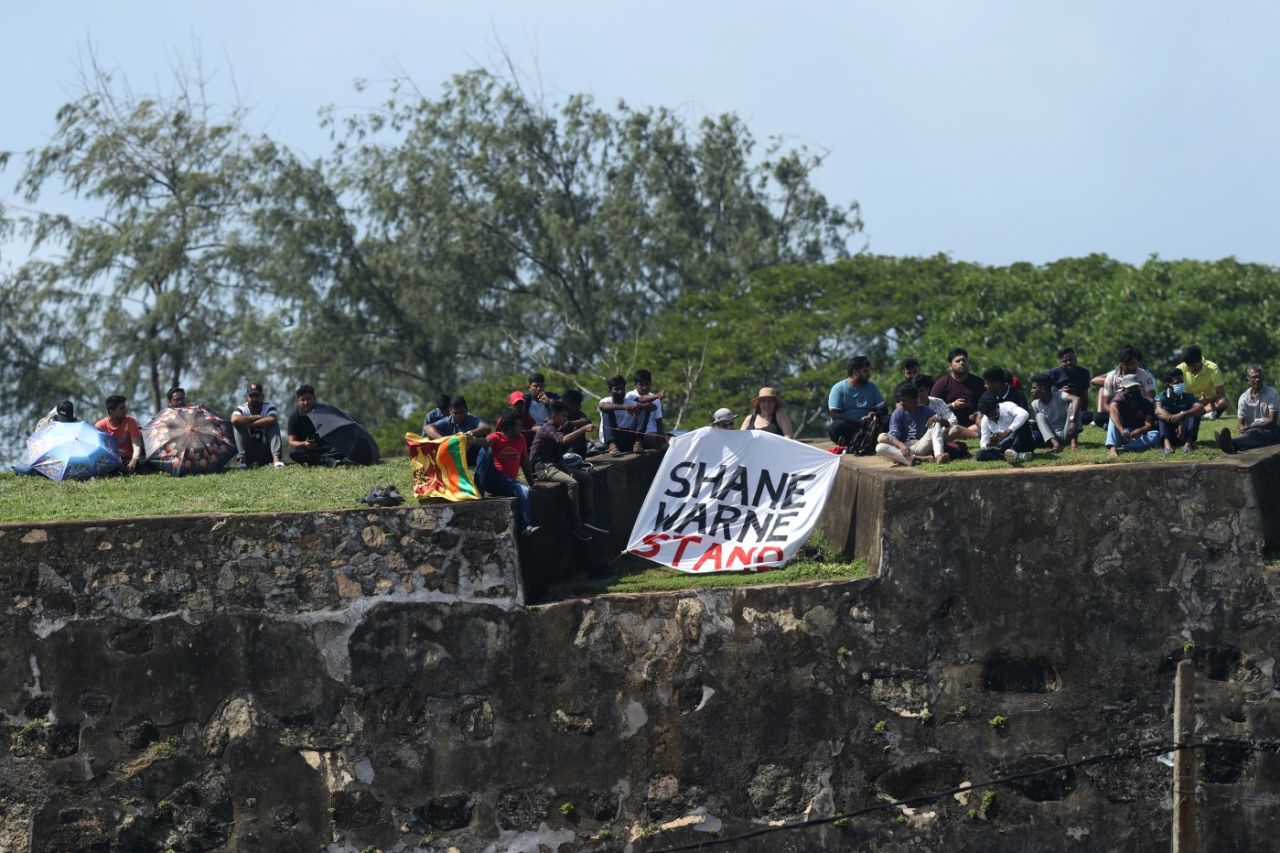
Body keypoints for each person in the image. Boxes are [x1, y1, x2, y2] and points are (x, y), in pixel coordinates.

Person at [530, 401, 606, 540]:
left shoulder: (555, 428)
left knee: (587, 478)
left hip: (554, 465)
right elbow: (563, 441)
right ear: (554, 415)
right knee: (572, 483)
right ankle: (576, 527)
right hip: (543, 468)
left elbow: (558, 456)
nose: (566, 419)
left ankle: (589, 517)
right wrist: (582, 429)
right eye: (564, 416)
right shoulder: (547, 428)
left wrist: (566, 470)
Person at [474, 409, 538, 536]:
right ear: (509, 427)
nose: (521, 428)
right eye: (518, 426)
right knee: (485, 450)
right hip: (492, 479)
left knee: (523, 489)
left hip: (507, 483)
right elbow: (486, 442)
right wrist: (474, 441)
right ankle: (478, 486)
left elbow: (525, 463)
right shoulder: (496, 437)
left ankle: (526, 527)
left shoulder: (521, 439)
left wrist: (532, 484)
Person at [875, 381, 949, 466]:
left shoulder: (924, 409)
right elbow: (893, 436)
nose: (901, 403)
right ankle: (918, 459)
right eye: (901, 400)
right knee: (879, 447)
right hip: (903, 448)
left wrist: (938, 419)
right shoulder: (897, 413)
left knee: (936, 423)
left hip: (921, 445)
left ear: (914, 400)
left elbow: (947, 424)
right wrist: (902, 446)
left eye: (904, 400)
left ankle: (939, 456)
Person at [828, 355, 888, 452]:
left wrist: (874, 414)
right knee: (836, 426)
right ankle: (862, 440)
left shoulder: (871, 387)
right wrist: (859, 422)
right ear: (855, 373)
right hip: (851, 426)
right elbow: (835, 415)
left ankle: (863, 439)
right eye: (865, 371)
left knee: (889, 419)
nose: (868, 374)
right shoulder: (838, 388)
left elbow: (884, 409)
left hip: (869, 425)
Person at [1217, 365, 1280, 454]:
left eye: (1259, 377)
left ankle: (1231, 443)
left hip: (1274, 431)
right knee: (1251, 435)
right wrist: (1244, 429)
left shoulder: (1272, 394)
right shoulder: (1244, 398)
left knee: (1255, 434)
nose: (1257, 380)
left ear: (1263, 377)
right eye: (1254, 377)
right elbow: (1241, 424)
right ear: (1248, 379)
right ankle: (1231, 445)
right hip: (1254, 431)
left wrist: (1253, 427)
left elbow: (1272, 422)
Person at [1093, 345, 1156, 427]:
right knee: (1098, 418)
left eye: (1133, 363)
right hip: (1119, 412)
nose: (1131, 367)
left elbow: (1150, 399)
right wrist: (1117, 413)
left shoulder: (1146, 376)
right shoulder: (1111, 377)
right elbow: (1105, 405)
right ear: (1120, 362)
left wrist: (1140, 411)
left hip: (1139, 413)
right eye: (1127, 364)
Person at [930, 348, 986, 440]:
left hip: (975, 424)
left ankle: (965, 433)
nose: (962, 363)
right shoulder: (941, 384)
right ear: (950, 366)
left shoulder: (978, 382)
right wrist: (952, 405)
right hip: (951, 426)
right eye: (958, 361)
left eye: (964, 360)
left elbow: (987, 405)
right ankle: (973, 435)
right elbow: (931, 409)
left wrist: (978, 414)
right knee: (952, 428)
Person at [230, 383, 285, 469]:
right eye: (252, 396)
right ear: (247, 397)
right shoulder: (242, 408)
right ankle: (242, 461)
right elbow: (234, 420)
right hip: (249, 453)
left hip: (266, 451)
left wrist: (250, 424)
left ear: (262, 396)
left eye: (257, 396)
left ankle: (276, 460)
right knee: (237, 425)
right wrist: (256, 417)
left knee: (273, 424)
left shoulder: (268, 406)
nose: (255, 399)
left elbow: (272, 418)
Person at [287, 385, 343, 467]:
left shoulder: (324, 411)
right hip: (308, 450)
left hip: (326, 448)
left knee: (342, 446)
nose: (306, 402)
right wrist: (304, 443)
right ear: (298, 401)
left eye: (308, 398)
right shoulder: (294, 418)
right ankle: (326, 460)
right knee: (294, 453)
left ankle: (317, 461)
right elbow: (292, 442)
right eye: (302, 400)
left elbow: (335, 433)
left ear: (314, 398)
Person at [1105, 375, 1160, 458]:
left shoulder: (1146, 403)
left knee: (1156, 434)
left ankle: (1123, 449)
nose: (1134, 390)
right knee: (1112, 418)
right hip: (1122, 434)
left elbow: (1148, 424)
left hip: (1138, 436)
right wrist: (1122, 431)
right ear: (1124, 389)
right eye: (1130, 388)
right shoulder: (1118, 400)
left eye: (1135, 387)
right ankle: (1112, 448)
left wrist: (1140, 430)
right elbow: (1113, 409)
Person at [975, 391, 1035, 463]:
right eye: (989, 417)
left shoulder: (1007, 406)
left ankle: (1012, 453)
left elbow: (1024, 414)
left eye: (994, 414)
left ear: (997, 406)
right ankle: (1017, 456)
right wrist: (990, 444)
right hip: (1004, 446)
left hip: (1020, 441)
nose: (992, 418)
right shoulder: (985, 419)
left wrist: (1007, 432)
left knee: (1023, 425)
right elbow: (983, 443)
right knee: (980, 455)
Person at [1155, 368, 1205, 454]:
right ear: (1169, 384)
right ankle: (1167, 445)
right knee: (1162, 413)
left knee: (1194, 412)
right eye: (1177, 383)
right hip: (1170, 432)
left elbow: (1201, 409)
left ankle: (1188, 444)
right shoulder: (1161, 396)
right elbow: (1157, 410)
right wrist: (1179, 422)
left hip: (1184, 433)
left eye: (1181, 381)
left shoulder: (1187, 396)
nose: (1180, 384)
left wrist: (1183, 414)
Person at [1045, 346, 1093, 434]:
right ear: (1060, 362)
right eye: (1064, 361)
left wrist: (1082, 411)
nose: (1068, 363)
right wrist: (1060, 392)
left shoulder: (1084, 372)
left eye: (1071, 359)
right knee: (1053, 389)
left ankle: (1075, 421)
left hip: (1075, 409)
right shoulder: (1052, 373)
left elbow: (1085, 396)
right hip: (1057, 409)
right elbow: (1045, 395)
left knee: (1088, 416)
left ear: (1076, 360)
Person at [1176, 345, 1229, 420]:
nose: (1191, 368)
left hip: (1208, 403)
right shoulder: (1179, 369)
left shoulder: (1213, 368)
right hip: (1189, 404)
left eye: (1194, 366)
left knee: (1223, 401)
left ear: (1200, 360)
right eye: (1189, 366)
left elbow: (1221, 394)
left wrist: (1206, 400)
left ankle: (1196, 414)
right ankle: (1205, 415)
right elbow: (1174, 391)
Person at [95, 395, 143, 473]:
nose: (125, 410)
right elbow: (100, 452)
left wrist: (134, 459)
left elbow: (136, 444)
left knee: (142, 464)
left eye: (125, 407)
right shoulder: (100, 426)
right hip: (111, 461)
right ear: (111, 411)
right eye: (121, 408)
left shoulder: (130, 421)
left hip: (128, 460)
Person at [1028, 373, 1073, 453]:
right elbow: (1040, 425)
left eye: (1034, 388)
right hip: (1050, 436)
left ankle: (1074, 441)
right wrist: (1033, 424)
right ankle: (1056, 444)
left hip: (1066, 433)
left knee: (1074, 404)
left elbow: (1077, 399)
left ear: (1043, 388)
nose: (1032, 391)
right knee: (1039, 416)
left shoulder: (1060, 396)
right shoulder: (1035, 404)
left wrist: (1072, 421)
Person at [624, 369, 667, 452]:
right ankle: (638, 442)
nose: (645, 387)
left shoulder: (656, 399)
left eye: (647, 384)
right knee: (644, 407)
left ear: (651, 383)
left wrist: (663, 439)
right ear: (635, 385)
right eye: (641, 384)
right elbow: (642, 400)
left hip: (652, 434)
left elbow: (659, 422)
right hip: (635, 433)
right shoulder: (630, 396)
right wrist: (656, 396)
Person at [425, 396, 491, 441]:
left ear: (466, 410)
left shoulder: (472, 419)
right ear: (450, 411)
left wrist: (466, 435)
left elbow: (486, 428)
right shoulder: (447, 421)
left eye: (461, 412)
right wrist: (443, 440)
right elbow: (427, 428)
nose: (459, 416)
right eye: (455, 413)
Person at [598, 375, 631, 457]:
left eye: (622, 389)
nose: (620, 392)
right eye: (616, 389)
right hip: (611, 438)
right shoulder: (606, 400)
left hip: (626, 437)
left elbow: (651, 407)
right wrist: (625, 407)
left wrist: (639, 407)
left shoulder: (630, 402)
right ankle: (612, 446)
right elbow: (602, 407)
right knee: (607, 411)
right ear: (610, 391)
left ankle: (638, 443)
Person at [559, 389, 592, 455]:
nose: (579, 407)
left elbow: (586, 421)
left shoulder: (577, 413)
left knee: (578, 428)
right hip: (559, 450)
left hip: (578, 453)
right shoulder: (557, 413)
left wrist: (570, 423)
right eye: (577, 404)